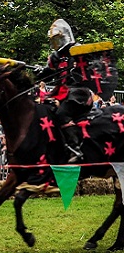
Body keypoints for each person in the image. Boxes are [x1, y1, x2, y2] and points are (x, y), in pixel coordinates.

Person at [37, 18, 118, 163]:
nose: (55, 43)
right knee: (45, 110)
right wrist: (40, 71)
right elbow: (49, 72)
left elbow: (92, 69)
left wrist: (76, 70)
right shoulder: (56, 57)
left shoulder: (80, 51)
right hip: (62, 92)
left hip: (78, 93)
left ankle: (75, 148)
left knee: (62, 114)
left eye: (57, 39)